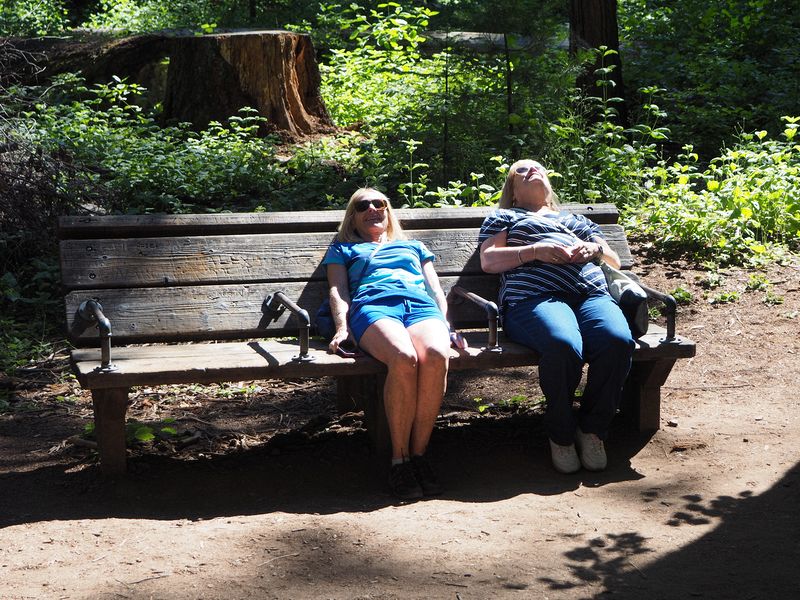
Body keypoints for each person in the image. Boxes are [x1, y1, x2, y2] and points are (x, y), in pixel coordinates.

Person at [478, 159, 635, 474]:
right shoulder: (504, 217)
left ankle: (592, 430)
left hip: (590, 294)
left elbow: (613, 260)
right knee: (563, 343)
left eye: (538, 168)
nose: (532, 171)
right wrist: (534, 251)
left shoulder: (576, 220)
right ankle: (561, 433)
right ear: (513, 190)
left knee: (617, 341)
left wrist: (594, 250)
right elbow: (488, 260)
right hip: (534, 299)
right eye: (522, 171)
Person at [322, 187, 467, 500]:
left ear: (388, 212)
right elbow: (338, 291)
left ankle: (419, 455)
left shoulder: (413, 245)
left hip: (420, 307)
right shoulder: (343, 249)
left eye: (380, 203)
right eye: (363, 205)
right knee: (403, 357)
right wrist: (342, 327)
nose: (373, 208)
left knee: (437, 354)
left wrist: (447, 325)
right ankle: (399, 461)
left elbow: (436, 291)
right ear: (353, 217)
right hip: (374, 307)